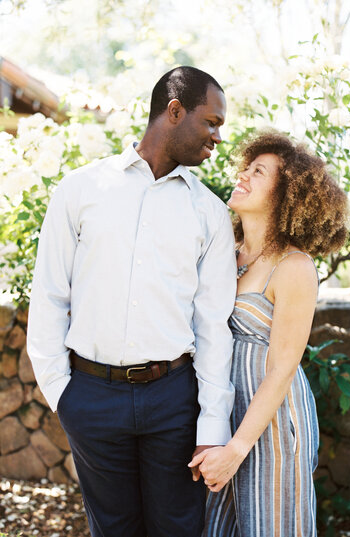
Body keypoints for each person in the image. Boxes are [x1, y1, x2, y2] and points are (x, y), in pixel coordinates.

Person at [27, 66, 237, 537]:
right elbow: (50, 297)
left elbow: (212, 328)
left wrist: (211, 427)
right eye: (212, 122)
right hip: (91, 395)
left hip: (174, 400)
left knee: (178, 530)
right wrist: (64, 395)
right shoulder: (81, 190)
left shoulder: (210, 213)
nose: (217, 137)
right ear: (175, 111)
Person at [189, 131, 348, 537]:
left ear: (286, 194)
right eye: (246, 166)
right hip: (223, 415)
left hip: (272, 425)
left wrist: (236, 449)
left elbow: (282, 368)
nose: (242, 175)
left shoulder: (294, 266)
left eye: (258, 172)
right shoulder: (226, 249)